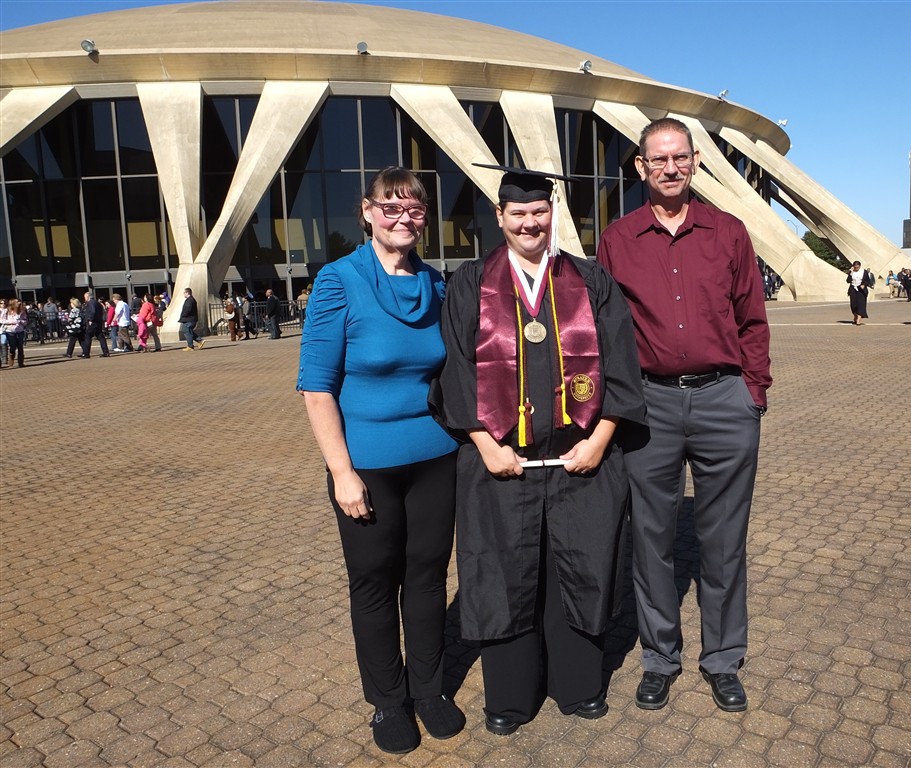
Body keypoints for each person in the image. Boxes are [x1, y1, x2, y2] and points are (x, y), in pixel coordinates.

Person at [438, 165, 646, 736]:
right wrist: (484, 445)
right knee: (501, 571)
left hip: (581, 462)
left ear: (552, 214)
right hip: (499, 463)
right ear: (500, 217)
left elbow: (622, 366)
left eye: (539, 211)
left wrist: (599, 442)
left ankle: (577, 685)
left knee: (581, 565)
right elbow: (456, 370)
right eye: (518, 213)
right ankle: (510, 697)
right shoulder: (471, 282)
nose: (530, 222)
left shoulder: (590, 279)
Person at [597, 117, 771, 714]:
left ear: (695, 161)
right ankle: (659, 658)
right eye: (658, 159)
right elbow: (606, 330)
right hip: (650, 404)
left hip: (725, 400)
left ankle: (722, 659)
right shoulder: (618, 239)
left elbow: (752, 318)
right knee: (651, 539)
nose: (670, 168)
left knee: (724, 542)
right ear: (641, 167)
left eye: (680, 157)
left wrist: (753, 393)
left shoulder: (729, 232)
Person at [297, 167, 463, 755]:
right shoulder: (338, 280)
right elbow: (317, 387)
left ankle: (429, 689)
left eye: (414, 208)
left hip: (436, 459)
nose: (403, 218)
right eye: (391, 207)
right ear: (367, 212)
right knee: (373, 582)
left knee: (427, 579)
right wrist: (342, 473)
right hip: (365, 465)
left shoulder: (436, 284)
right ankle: (388, 701)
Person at [1, 298, 29, 367]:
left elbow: (25, 321)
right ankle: (11, 357)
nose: (19, 303)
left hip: (20, 330)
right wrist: (11, 322)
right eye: (17, 302)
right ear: (13, 303)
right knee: (12, 347)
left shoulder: (22, 311)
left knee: (20, 346)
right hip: (10, 331)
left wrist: (21, 321)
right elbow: (1, 320)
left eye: (19, 302)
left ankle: (21, 362)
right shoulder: (6, 311)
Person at [81, 291, 110, 358]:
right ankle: (106, 352)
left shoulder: (91, 303)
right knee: (100, 336)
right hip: (98, 322)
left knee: (88, 336)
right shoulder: (97, 303)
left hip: (93, 322)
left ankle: (86, 353)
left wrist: (90, 319)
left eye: (85, 297)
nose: (84, 298)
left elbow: (92, 311)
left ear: (87, 297)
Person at [846, 260, 870, 326]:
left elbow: (868, 280)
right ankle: (855, 316)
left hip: (861, 289)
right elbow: (848, 281)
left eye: (857, 267)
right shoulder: (851, 272)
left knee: (861, 304)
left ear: (860, 266)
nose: (856, 268)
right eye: (855, 267)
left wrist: (864, 285)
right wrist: (850, 273)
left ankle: (858, 320)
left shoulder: (864, 272)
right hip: (853, 288)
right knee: (853, 305)